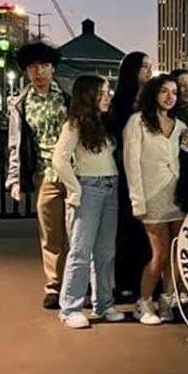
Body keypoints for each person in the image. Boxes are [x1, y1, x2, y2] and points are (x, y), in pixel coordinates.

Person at [123, 74, 188, 325]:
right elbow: (131, 163)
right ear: (154, 93)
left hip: (178, 198)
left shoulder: (179, 125)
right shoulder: (138, 123)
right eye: (164, 91)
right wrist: (137, 200)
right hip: (151, 197)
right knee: (160, 254)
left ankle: (167, 298)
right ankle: (144, 302)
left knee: (177, 253)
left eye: (174, 92)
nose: (170, 97)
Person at [52, 76, 124, 328]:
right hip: (90, 188)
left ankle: (103, 303)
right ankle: (70, 307)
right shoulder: (74, 124)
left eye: (107, 92)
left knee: (105, 251)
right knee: (81, 251)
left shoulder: (102, 122)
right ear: (88, 95)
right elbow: (59, 159)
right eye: (102, 92)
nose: (107, 96)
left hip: (110, 186)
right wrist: (75, 190)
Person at [6, 41, 70, 309]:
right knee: (51, 233)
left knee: (78, 231)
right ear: (26, 71)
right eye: (33, 67)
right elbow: (15, 144)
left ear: (53, 67)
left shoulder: (68, 96)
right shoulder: (20, 104)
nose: (39, 72)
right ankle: (55, 285)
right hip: (44, 174)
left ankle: (78, 282)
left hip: (75, 173)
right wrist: (14, 179)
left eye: (44, 65)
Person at [109, 51, 153, 302]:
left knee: (147, 229)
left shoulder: (150, 101)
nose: (148, 71)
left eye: (150, 66)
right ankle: (125, 283)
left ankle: (146, 282)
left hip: (149, 173)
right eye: (144, 66)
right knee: (126, 229)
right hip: (125, 173)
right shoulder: (121, 103)